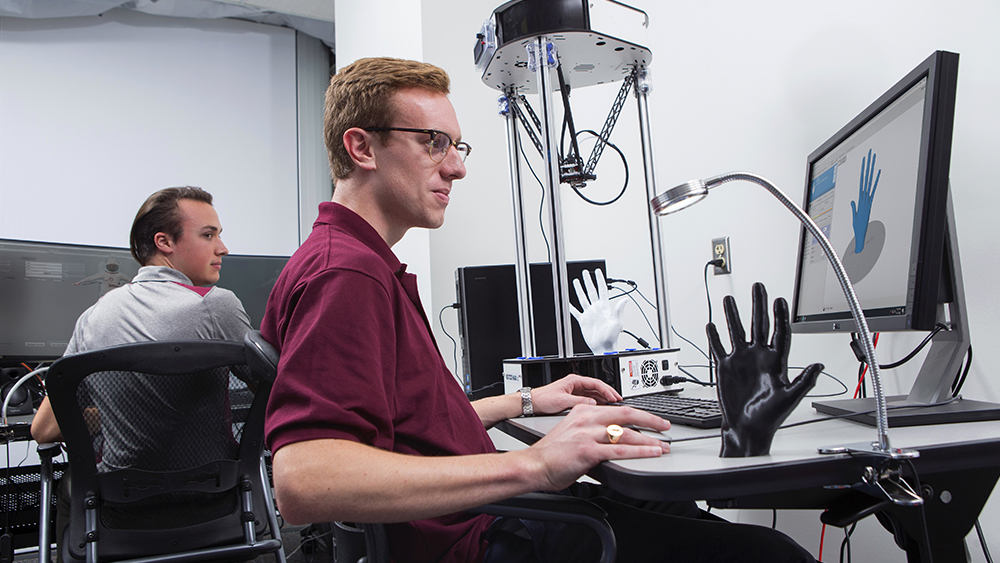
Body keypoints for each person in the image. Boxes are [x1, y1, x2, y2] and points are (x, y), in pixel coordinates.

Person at [261, 57, 816, 562]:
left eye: (458, 146)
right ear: (362, 149)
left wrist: (527, 401)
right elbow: (306, 479)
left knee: (672, 508)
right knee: (772, 556)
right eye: (434, 142)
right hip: (484, 540)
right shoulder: (346, 273)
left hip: (489, 520)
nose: (456, 168)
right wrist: (535, 463)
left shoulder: (354, 261)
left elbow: (407, 424)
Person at [30, 186, 252, 558]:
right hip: (212, 500)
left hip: (123, 510)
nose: (223, 248)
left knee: (69, 483)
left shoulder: (93, 318)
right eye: (209, 235)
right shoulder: (217, 305)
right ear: (164, 241)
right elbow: (273, 384)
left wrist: (115, 412)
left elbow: (43, 429)